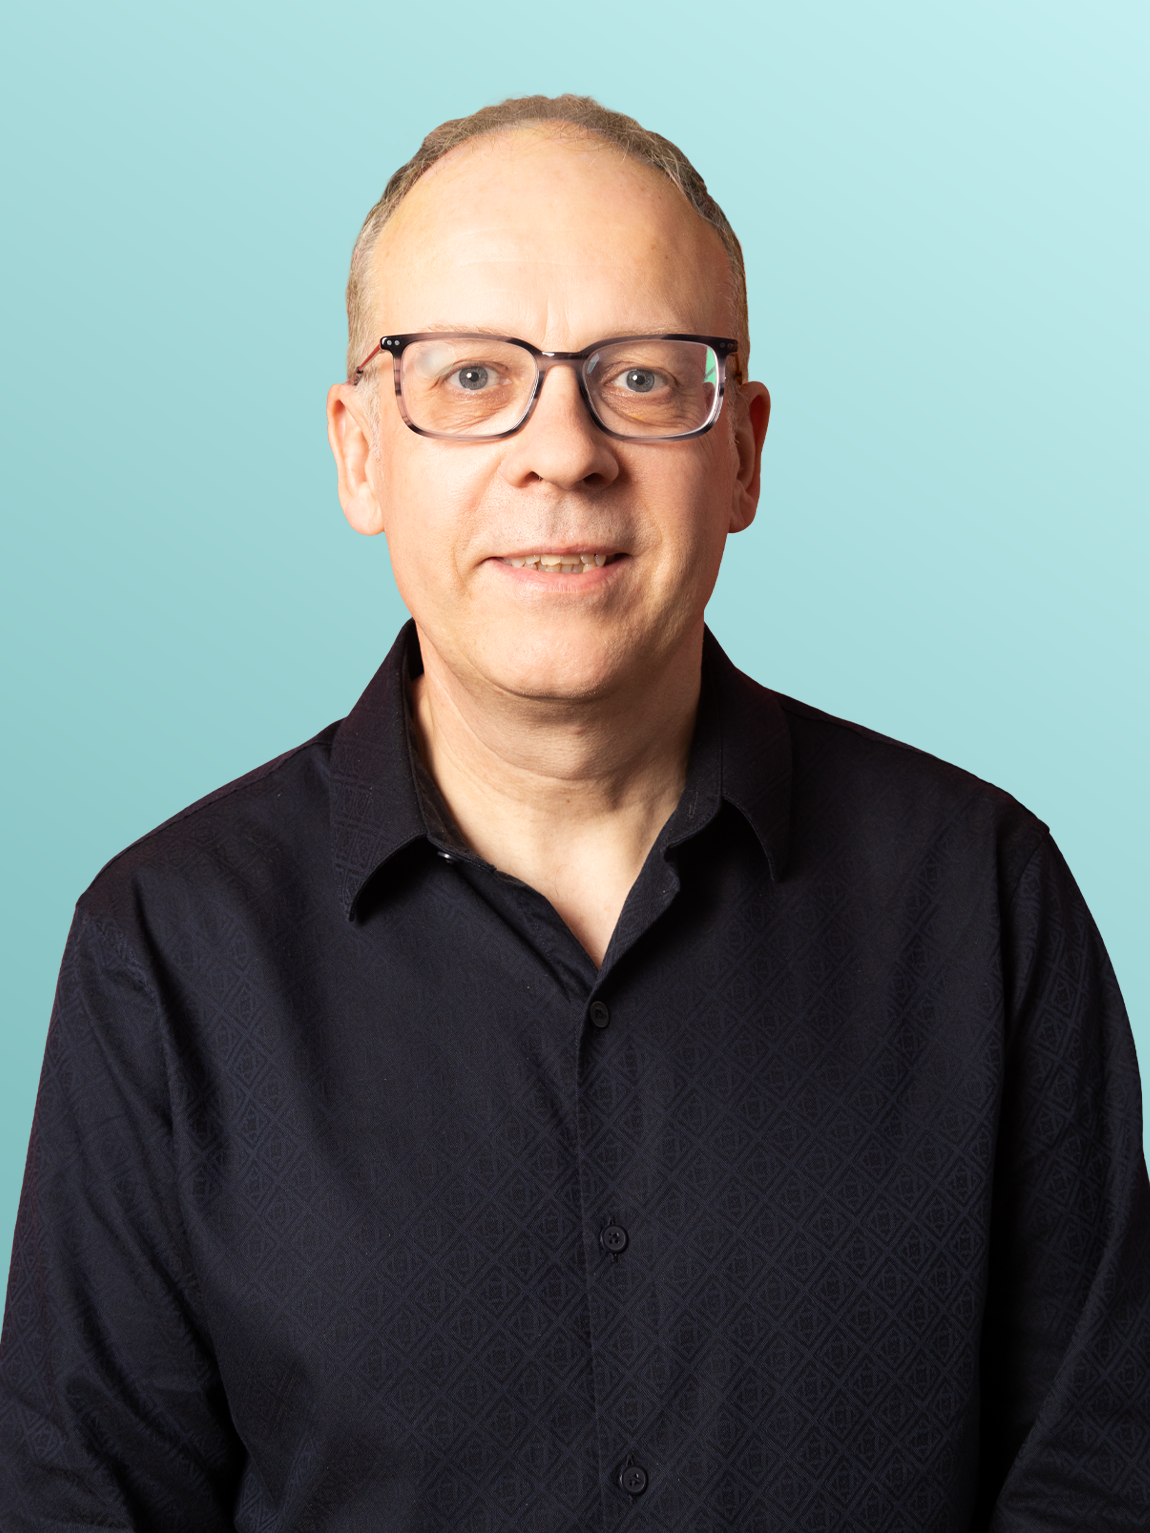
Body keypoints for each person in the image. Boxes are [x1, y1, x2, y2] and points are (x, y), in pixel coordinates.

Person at [1, 93, 1147, 1533]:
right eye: (473, 378)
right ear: (360, 452)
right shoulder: (163, 945)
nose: (562, 453)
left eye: (644, 380)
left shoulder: (983, 893)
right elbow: (81, 1502)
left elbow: (1102, 1470)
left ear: (742, 453)